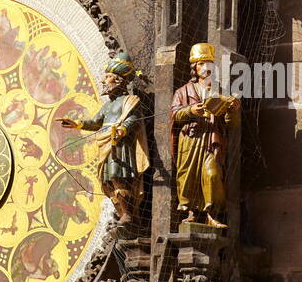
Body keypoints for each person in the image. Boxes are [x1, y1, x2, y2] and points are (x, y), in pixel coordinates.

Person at [60, 55, 149, 223]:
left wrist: (122, 130)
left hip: (120, 144)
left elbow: (133, 118)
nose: (103, 81)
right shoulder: (107, 106)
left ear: (119, 81)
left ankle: (129, 214)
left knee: (118, 176)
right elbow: (95, 123)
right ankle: (121, 211)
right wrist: (77, 124)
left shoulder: (130, 101)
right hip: (106, 143)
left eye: (108, 77)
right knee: (109, 180)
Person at [170, 42, 239, 227]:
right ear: (194, 67)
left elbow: (231, 125)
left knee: (212, 174)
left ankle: (212, 214)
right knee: (187, 175)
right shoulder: (182, 91)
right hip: (190, 139)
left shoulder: (220, 92)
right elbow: (174, 115)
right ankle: (191, 212)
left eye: (209, 64)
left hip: (211, 139)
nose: (205, 68)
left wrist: (232, 110)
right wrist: (192, 110)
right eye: (201, 64)